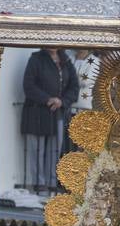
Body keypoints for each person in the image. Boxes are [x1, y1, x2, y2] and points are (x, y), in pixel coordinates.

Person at [21, 47, 79, 194]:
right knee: (37, 149)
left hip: (57, 113)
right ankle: (39, 184)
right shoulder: (36, 59)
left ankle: (51, 183)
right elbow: (28, 86)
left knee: (54, 149)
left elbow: (74, 87)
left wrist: (62, 101)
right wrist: (47, 99)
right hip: (37, 112)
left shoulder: (66, 61)